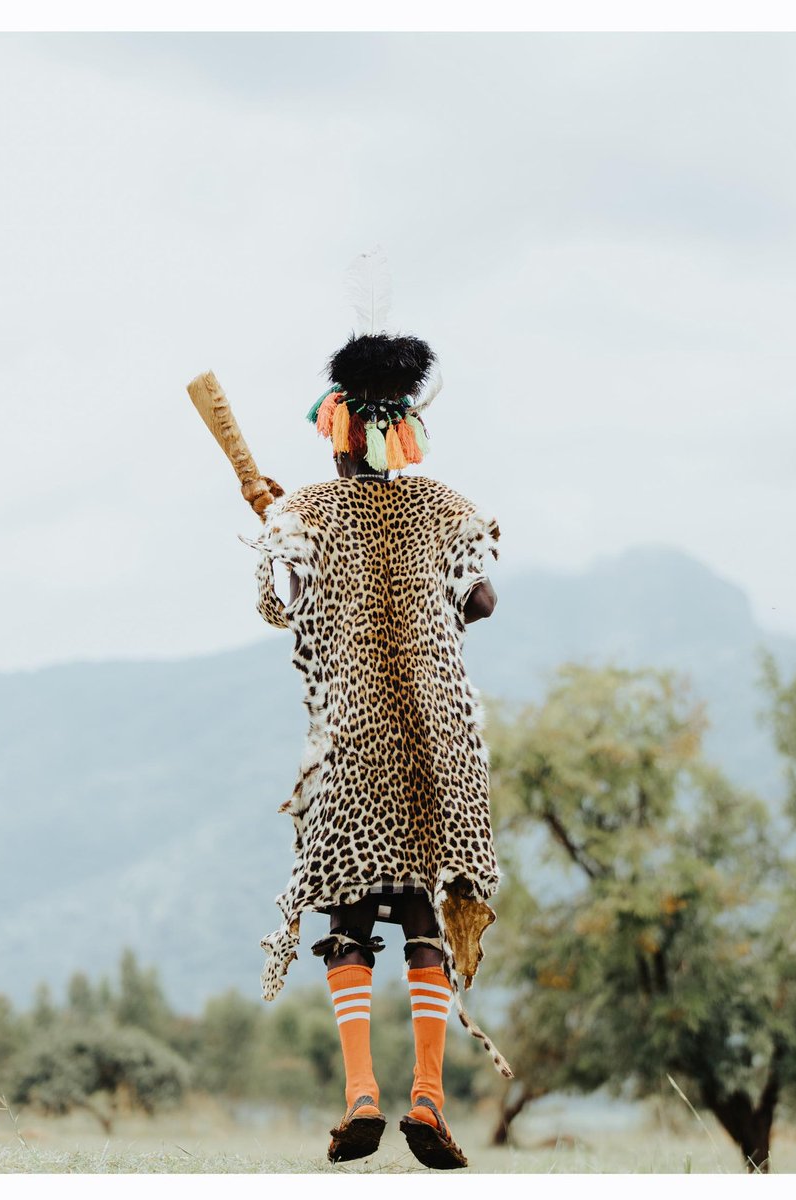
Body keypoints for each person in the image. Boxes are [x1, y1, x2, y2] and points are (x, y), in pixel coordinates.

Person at [246, 332, 511, 1170]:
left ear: (335, 427)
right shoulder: (442, 505)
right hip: (440, 735)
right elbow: (483, 597)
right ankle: (427, 1100)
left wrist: (280, 523)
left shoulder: (308, 515)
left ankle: (362, 1094)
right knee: (429, 913)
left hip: (354, 736)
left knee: (350, 918)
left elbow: (286, 605)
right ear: (401, 429)